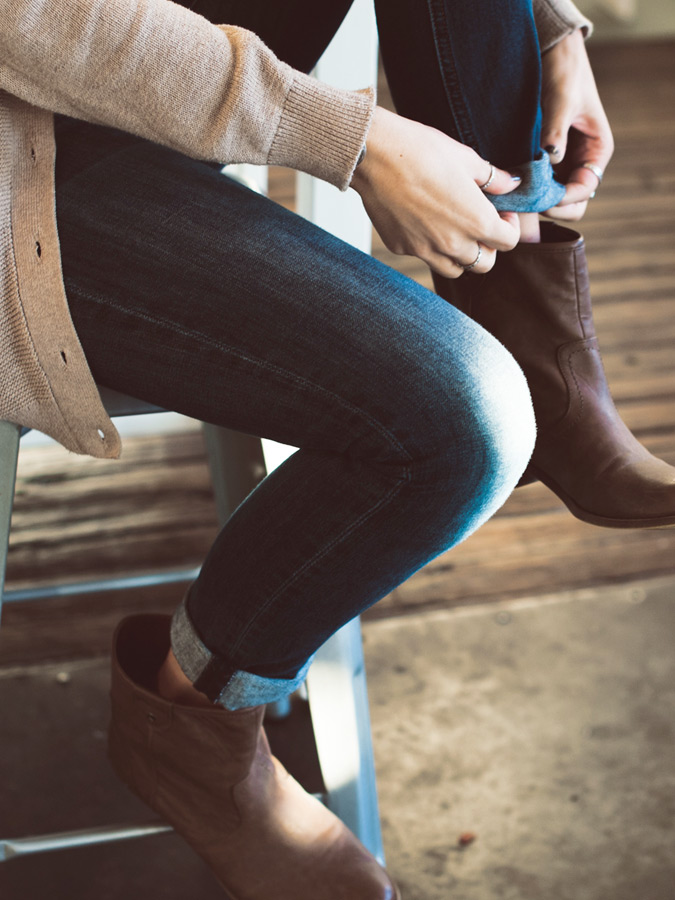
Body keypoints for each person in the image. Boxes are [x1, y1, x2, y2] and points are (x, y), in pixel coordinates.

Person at [1, 0, 674, 896]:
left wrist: (544, 30)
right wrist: (353, 142)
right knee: (461, 423)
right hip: (21, 160)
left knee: (479, 412)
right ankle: (192, 729)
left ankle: (535, 327)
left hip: (131, 81)